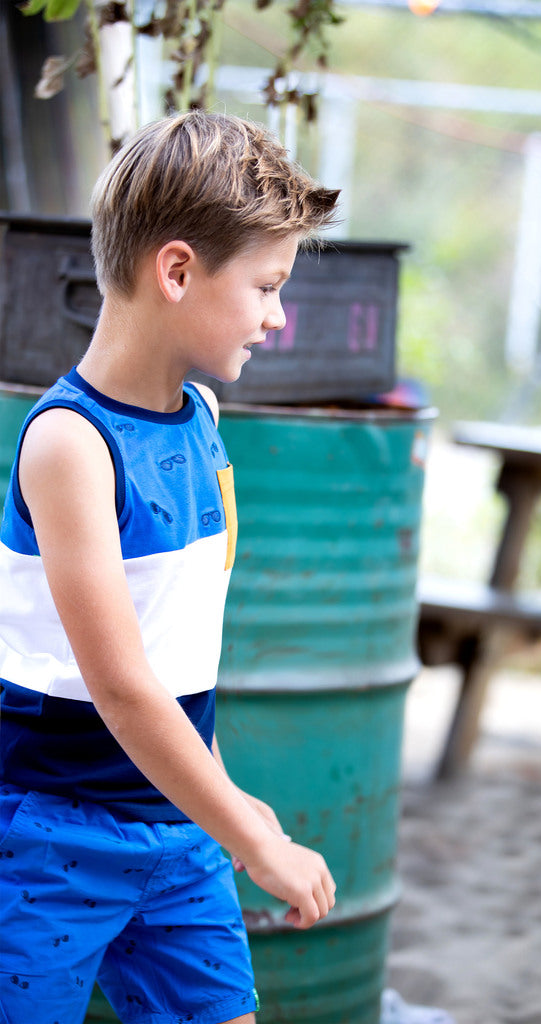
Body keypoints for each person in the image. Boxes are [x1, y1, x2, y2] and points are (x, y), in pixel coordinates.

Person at [0, 110, 340, 1024]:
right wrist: (248, 837)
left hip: (177, 829)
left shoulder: (201, 418)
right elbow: (120, 686)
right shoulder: (71, 445)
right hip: (45, 840)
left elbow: (177, 654)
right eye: (267, 285)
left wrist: (222, 799)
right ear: (178, 271)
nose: (278, 316)